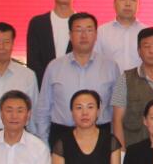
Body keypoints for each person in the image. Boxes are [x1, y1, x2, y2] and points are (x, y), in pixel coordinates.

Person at [33, 12, 121, 150]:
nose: (84, 35)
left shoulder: (111, 67)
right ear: (70, 35)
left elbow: (118, 110)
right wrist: (44, 144)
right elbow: (43, 109)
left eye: (89, 30)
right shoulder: (54, 67)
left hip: (100, 136)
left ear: (96, 35)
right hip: (62, 135)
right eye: (78, 30)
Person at [26, 0, 78, 88]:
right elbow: (33, 62)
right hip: (44, 87)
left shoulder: (84, 24)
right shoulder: (38, 23)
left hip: (75, 88)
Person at [96, 0, 147, 72]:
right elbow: (95, 62)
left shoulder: (146, 32)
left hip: (140, 81)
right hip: (110, 81)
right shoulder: (101, 32)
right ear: (114, 3)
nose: (128, 4)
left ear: (139, 4)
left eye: (133, 0)